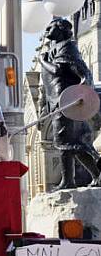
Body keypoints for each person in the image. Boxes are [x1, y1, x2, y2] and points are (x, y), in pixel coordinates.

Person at [38, 18, 101, 190]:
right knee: (71, 143)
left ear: (61, 30)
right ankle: (96, 175)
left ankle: (69, 180)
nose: (47, 30)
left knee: (67, 143)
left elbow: (58, 70)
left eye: (50, 27)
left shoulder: (67, 47)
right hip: (60, 100)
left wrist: (42, 60)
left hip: (67, 100)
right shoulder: (55, 48)